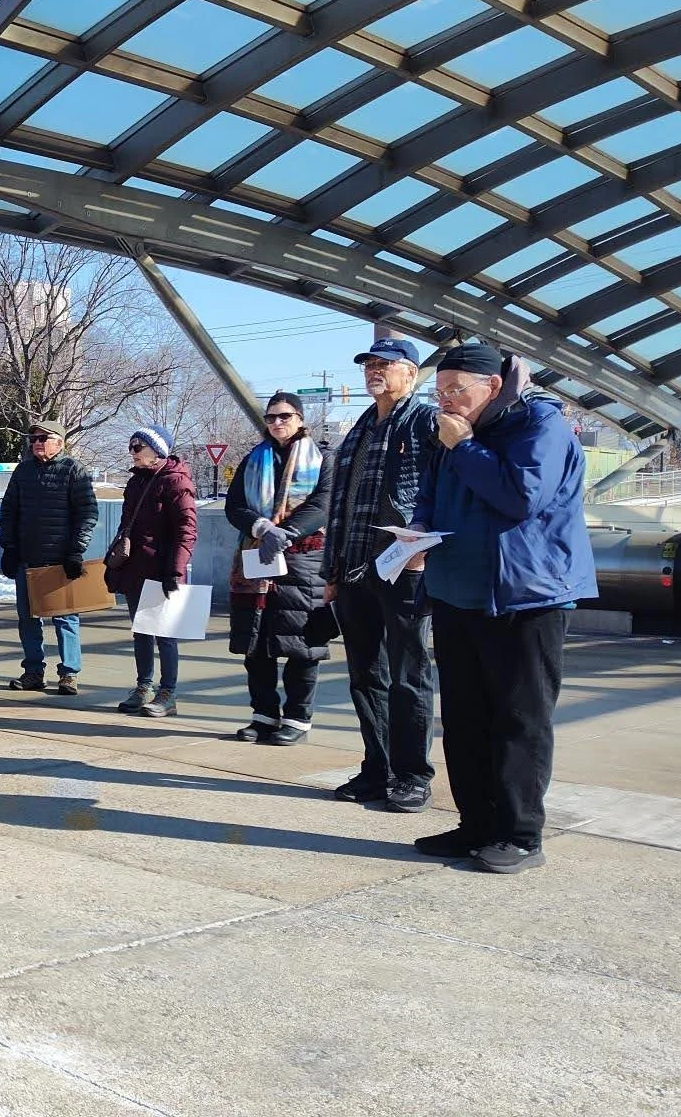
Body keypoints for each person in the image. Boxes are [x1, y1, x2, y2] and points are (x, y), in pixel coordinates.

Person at [411, 343, 595, 875]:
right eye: (440, 390)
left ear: (492, 387)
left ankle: (519, 834)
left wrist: (466, 445)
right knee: (466, 718)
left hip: (526, 596)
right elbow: (431, 492)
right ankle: (476, 825)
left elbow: (520, 498)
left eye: (455, 390)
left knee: (520, 718)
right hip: (456, 591)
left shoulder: (541, 424)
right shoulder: (447, 431)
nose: (445, 400)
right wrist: (418, 529)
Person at [322, 334, 441, 811]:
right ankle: (379, 766)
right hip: (354, 569)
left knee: (409, 672)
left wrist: (424, 539)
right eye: (369, 364)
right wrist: (332, 569)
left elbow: (443, 487)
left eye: (386, 364)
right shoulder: (361, 427)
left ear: (410, 374)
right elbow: (340, 505)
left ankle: (413, 774)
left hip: (403, 567)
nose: (374, 371)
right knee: (364, 675)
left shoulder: (424, 420)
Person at [226, 394, 334, 745]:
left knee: (302, 643)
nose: (277, 423)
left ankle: (298, 719)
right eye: (270, 418)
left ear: (300, 419)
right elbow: (234, 505)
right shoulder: (253, 459)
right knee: (255, 641)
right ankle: (263, 715)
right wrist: (262, 528)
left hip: (303, 558)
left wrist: (286, 532)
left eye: (284, 416)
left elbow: (323, 502)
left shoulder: (323, 459)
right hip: (257, 554)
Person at [0, 421, 97, 696]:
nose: (37, 442)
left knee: (65, 619)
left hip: (60, 559)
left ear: (60, 442)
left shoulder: (73, 470)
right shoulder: (23, 470)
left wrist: (76, 550)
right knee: (27, 618)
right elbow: (9, 510)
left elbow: (87, 513)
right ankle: (33, 671)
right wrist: (9, 547)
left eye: (44, 437)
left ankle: (69, 673)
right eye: (33, 438)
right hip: (26, 559)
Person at [104, 425, 196, 718]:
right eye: (130, 446)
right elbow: (126, 524)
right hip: (135, 568)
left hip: (162, 569)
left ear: (157, 451)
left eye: (137, 447)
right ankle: (144, 686)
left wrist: (175, 570)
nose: (131, 452)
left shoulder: (175, 481)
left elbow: (187, 529)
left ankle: (168, 692)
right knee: (141, 631)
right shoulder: (136, 483)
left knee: (165, 634)